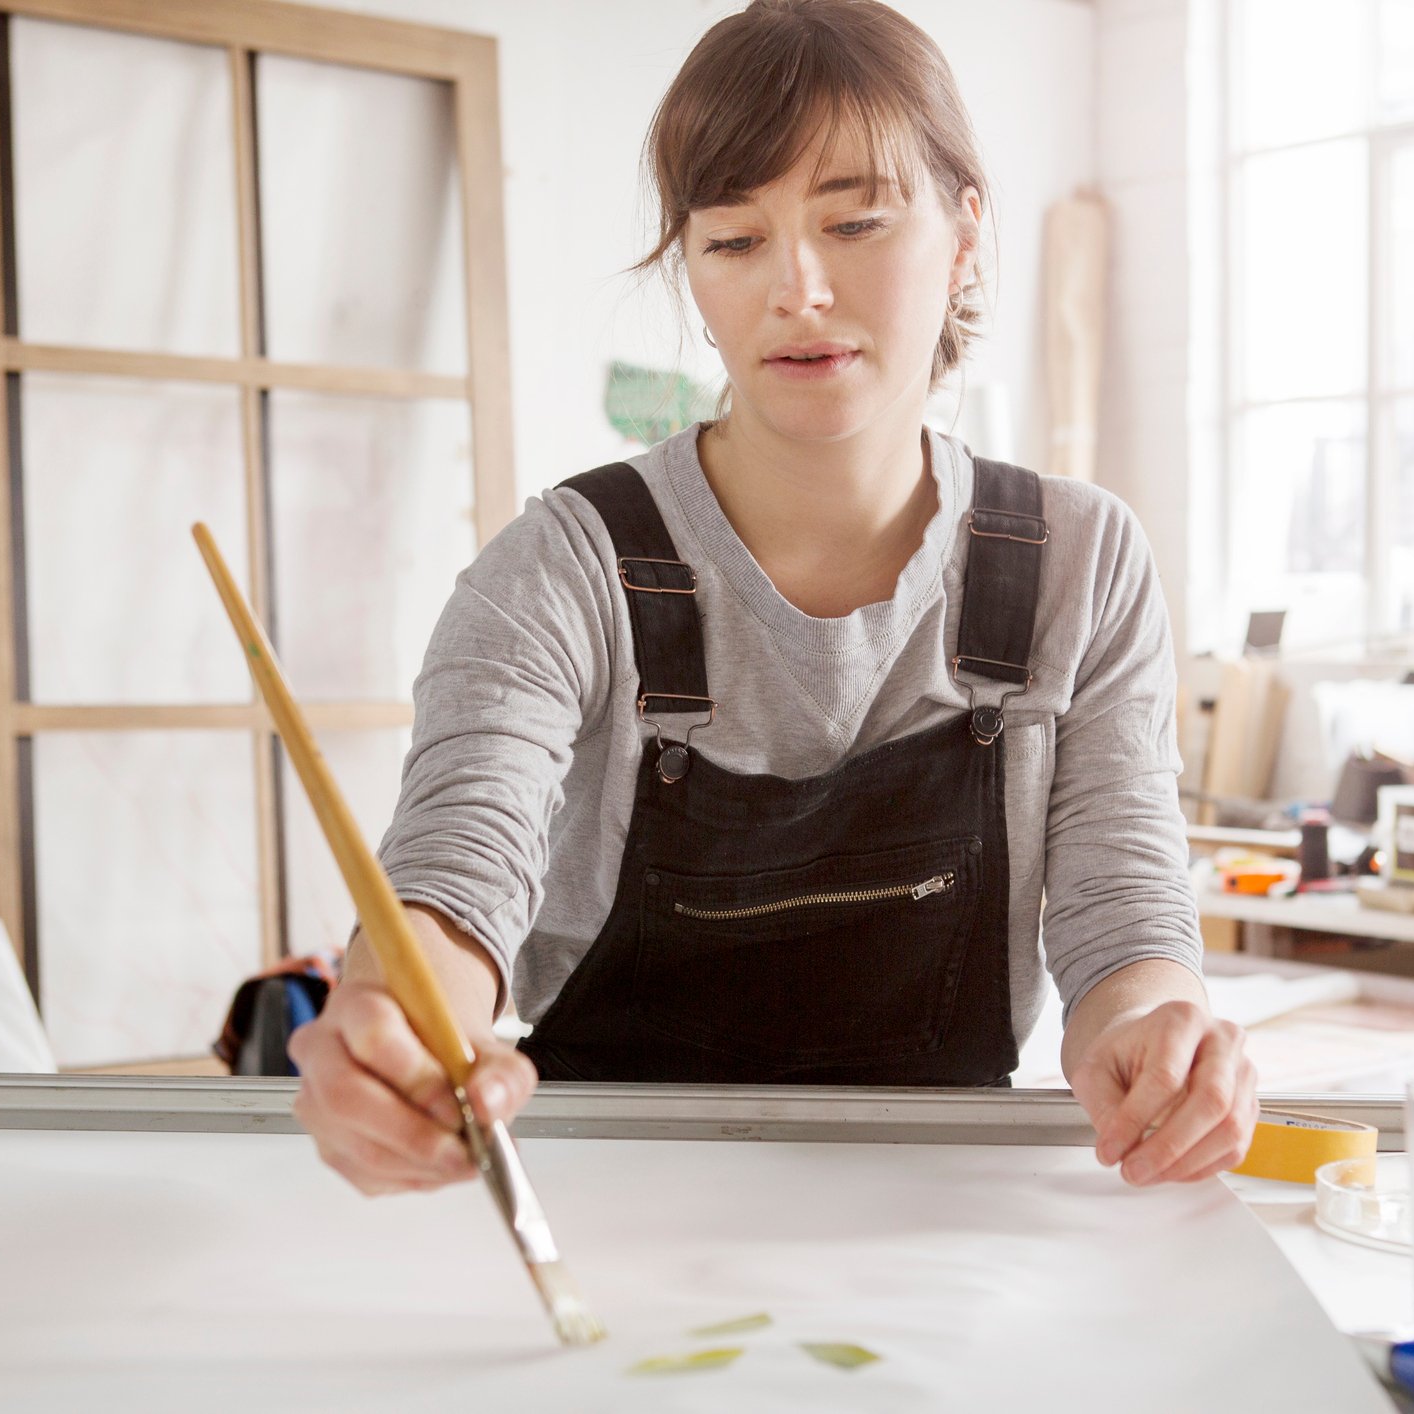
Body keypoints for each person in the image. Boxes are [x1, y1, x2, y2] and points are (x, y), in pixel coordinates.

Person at [288, 0, 1258, 1197]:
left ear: (964, 235)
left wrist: (1158, 1036)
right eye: (735, 241)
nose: (797, 288)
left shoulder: (1078, 560)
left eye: (854, 221)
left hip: (944, 1225)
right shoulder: (563, 568)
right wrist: (393, 1017)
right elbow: (455, 871)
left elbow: (1127, 923)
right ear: (690, 270)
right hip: (614, 1209)